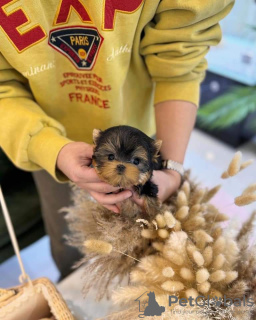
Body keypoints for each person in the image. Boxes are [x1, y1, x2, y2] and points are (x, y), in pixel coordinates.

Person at [0, 0, 234, 278]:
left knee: (147, 245)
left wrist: (172, 170)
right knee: (69, 246)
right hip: (46, 147)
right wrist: (50, 149)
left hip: (145, 130)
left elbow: (181, 59)